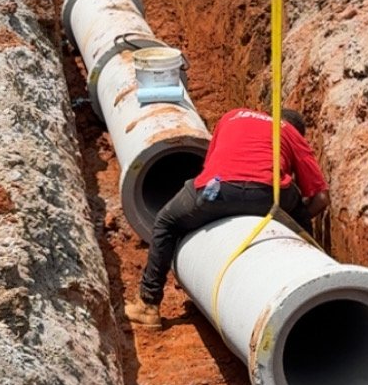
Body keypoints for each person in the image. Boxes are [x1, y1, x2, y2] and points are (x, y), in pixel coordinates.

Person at [127, 107, 329, 331]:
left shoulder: (233, 116)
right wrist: (290, 223)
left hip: (218, 190)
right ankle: (319, 282)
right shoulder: (291, 134)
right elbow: (320, 198)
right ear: (297, 130)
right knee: (299, 215)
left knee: (166, 222)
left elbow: (213, 164)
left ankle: (148, 304)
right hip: (269, 195)